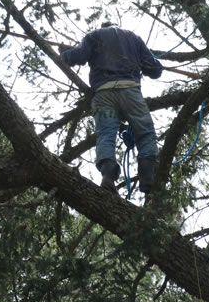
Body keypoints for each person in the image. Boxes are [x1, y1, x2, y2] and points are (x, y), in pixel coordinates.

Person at [60, 22, 163, 196]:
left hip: (103, 94)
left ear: (103, 26)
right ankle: (147, 178)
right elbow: (153, 70)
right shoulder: (133, 38)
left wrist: (63, 53)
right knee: (145, 133)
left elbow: (78, 56)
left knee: (106, 135)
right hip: (130, 91)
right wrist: (158, 66)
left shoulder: (94, 36)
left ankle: (108, 177)